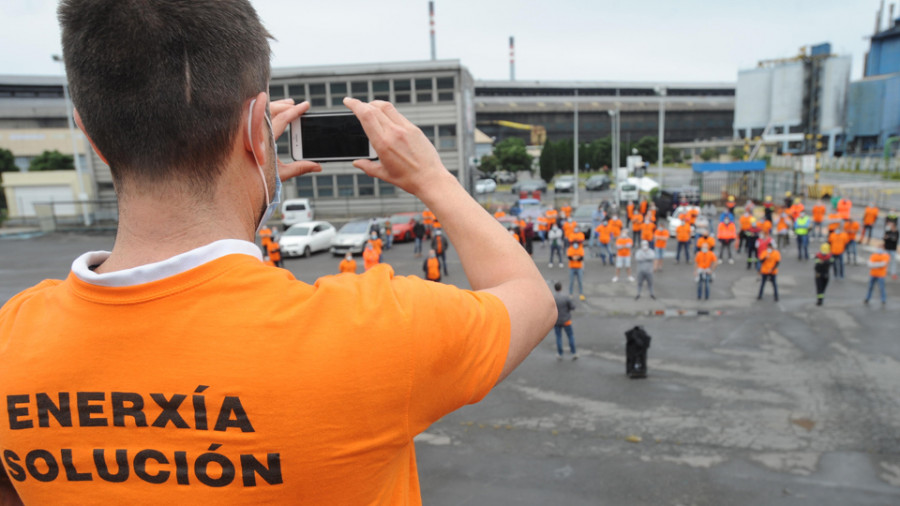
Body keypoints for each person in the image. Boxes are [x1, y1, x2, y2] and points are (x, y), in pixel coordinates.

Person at [0, 3, 557, 503]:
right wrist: (435, 179)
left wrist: (248, 174)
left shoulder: (12, 336)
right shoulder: (375, 329)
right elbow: (530, 298)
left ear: (91, 136)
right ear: (255, 129)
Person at [552, 281, 578, 360]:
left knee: (558, 337)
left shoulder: (553, 298)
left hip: (557, 321)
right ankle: (574, 353)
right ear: (561, 288)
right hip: (566, 320)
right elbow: (573, 307)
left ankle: (560, 354)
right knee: (570, 336)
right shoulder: (565, 297)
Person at [567, 233, 586, 300]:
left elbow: (581, 258)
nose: (575, 245)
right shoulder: (570, 249)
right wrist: (577, 257)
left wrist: (574, 258)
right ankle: (570, 293)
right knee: (571, 281)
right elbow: (569, 258)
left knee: (580, 281)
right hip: (572, 267)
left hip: (579, 268)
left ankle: (581, 294)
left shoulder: (581, 249)